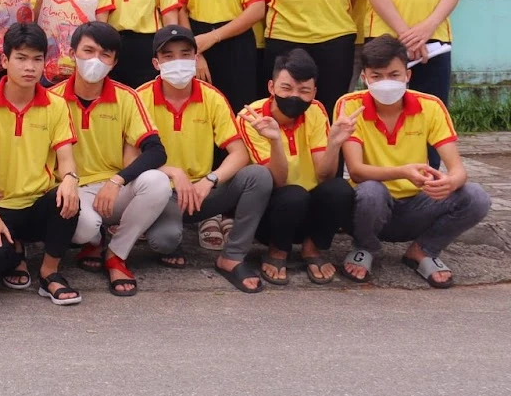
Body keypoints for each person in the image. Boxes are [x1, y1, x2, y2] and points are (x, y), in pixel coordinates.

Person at [334, 36, 490, 288]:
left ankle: (423, 250)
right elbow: (356, 171)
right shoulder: (349, 106)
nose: (386, 82)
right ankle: (366, 247)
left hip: (418, 205)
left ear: (407, 75)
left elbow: (458, 170)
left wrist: (449, 183)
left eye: (394, 75)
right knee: (370, 190)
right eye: (377, 76)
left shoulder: (431, 106)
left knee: (476, 196)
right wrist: (403, 172)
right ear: (364, 77)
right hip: (370, 209)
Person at [140, 25, 272, 293]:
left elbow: (239, 152)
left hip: (202, 192)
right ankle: (163, 228)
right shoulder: (140, 97)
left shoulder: (212, 96)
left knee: (258, 175)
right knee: (165, 241)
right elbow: (129, 157)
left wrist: (210, 180)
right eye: (168, 56)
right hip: (161, 192)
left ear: (196, 58)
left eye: (185, 54)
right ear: (156, 63)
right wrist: (171, 172)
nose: (178, 62)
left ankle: (232, 256)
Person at [49, 22, 170, 296]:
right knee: (84, 228)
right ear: (72, 53)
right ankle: (93, 241)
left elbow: (156, 150)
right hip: (72, 189)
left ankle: (116, 254)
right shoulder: (52, 98)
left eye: (105, 55)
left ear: (114, 62)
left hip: (113, 189)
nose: (95, 60)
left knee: (158, 182)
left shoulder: (127, 97)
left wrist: (117, 181)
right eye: (88, 51)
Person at [0, 23, 82, 306]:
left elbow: (66, 158)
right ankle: (16, 255)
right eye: (21, 58)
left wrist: (70, 179)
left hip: (37, 202)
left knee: (67, 197)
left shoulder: (56, 104)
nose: (29, 67)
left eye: (37, 59)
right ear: (5, 60)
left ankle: (49, 272)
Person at [237, 49, 356, 286]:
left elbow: (324, 176)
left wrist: (334, 144)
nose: (295, 97)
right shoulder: (251, 117)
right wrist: (275, 140)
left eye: (304, 91)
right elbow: (278, 181)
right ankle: (277, 250)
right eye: (287, 88)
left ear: (314, 92)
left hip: (309, 209)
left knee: (340, 189)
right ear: (271, 87)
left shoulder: (316, 110)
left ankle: (312, 248)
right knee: (293, 195)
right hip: (272, 212)